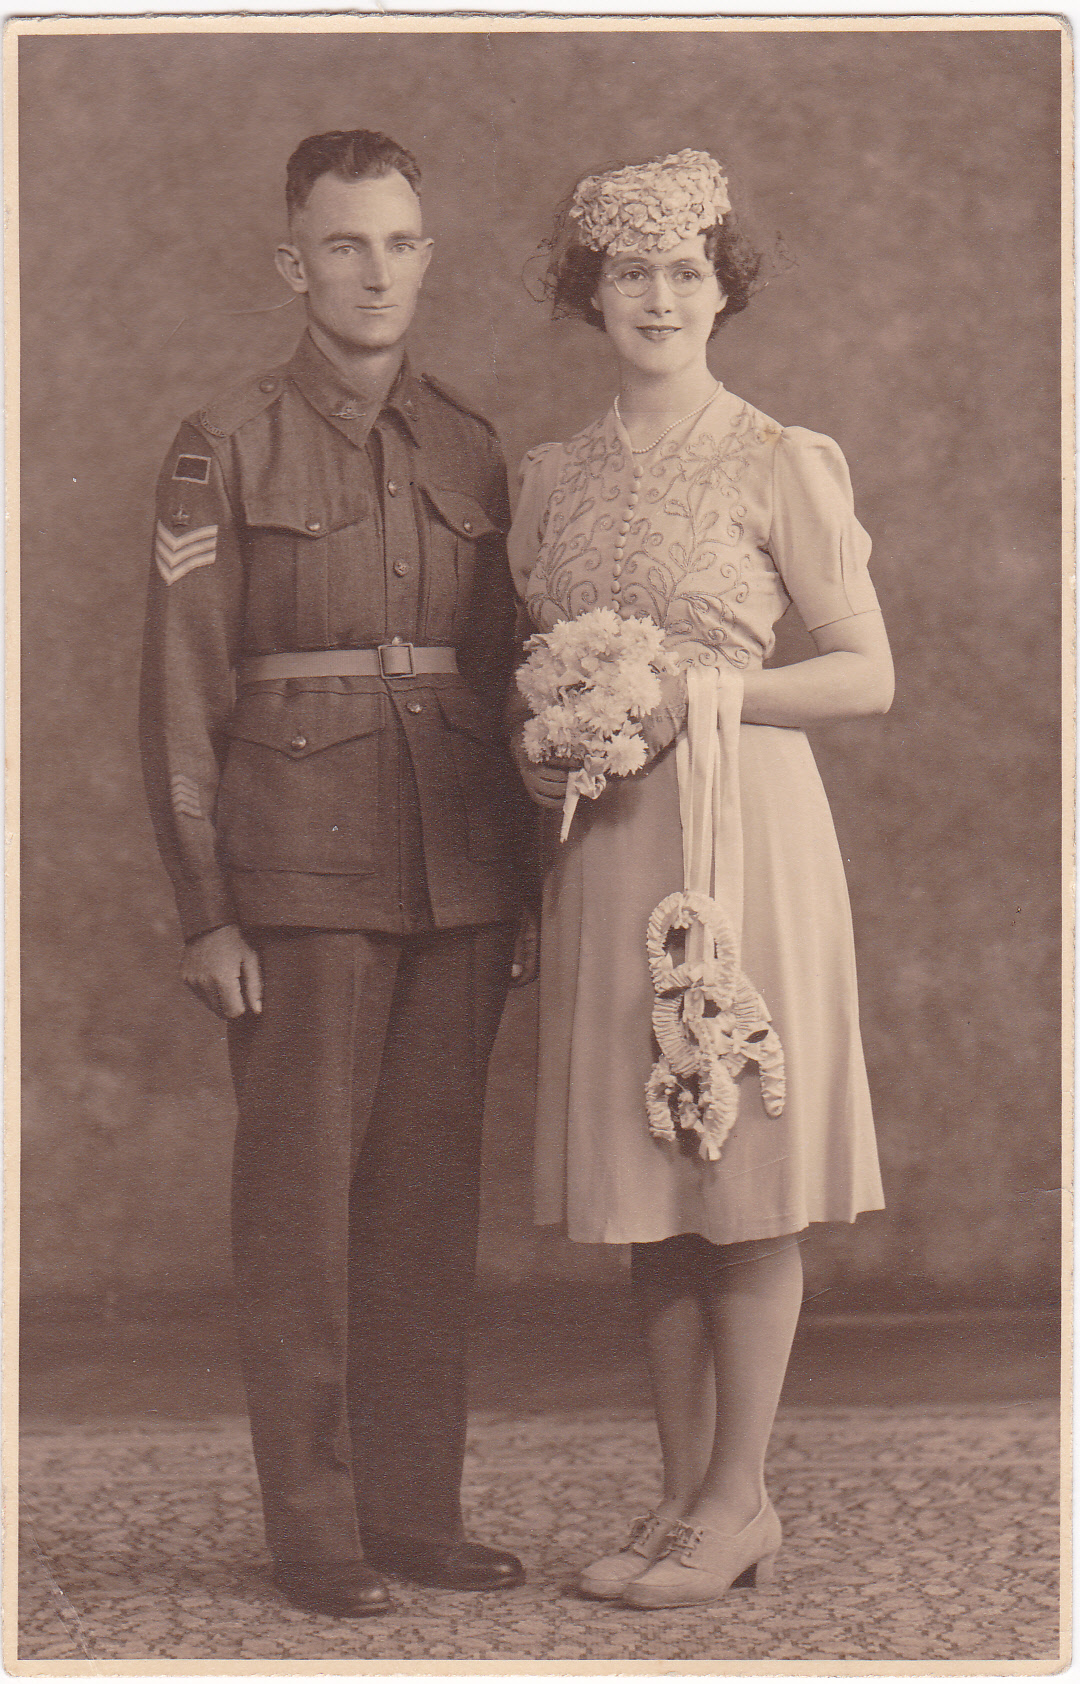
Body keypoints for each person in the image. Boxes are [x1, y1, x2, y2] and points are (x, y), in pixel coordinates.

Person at [139, 129, 534, 1619]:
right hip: (293, 875)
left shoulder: (472, 446)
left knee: (428, 1210)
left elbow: (502, 686)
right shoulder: (224, 443)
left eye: (402, 243)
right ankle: (316, 1530)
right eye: (346, 244)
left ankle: (413, 1513)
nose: (377, 272)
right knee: (301, 1218)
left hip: (455, 869)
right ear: (292, 262)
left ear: (428, 257)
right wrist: (206, 907)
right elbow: (180, 685)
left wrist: (526, 897)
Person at [508, 149, 894, 1609]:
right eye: (628, 271)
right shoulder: (553, 480)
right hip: (613, 846)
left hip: (755, 839)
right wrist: (549, 752)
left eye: (684, 270)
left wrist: (703, 698)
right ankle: (682, 1502)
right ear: (587, 291)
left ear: (723, 286)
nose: (658, 297)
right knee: (650, 1187)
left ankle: (742, 1498)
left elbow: (868, 675)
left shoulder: (779, 458)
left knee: (742, 1176)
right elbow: (532, 680)